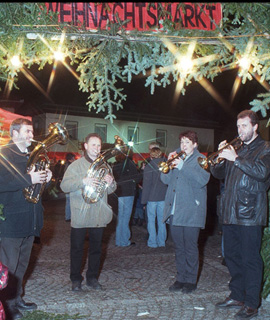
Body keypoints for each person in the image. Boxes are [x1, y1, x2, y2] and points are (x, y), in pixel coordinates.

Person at [211, 110, 270, 319]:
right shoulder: (235, 148)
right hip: (230, 211)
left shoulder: (265, 148)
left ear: (255, 127)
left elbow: (262, 173)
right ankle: (237, 295)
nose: (240, 130)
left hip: (250, 213)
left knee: (250, 259)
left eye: (244, 126)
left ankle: (252, 303)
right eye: (238, 126)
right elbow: (218, 174)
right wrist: (219, 158)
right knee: (231, 256)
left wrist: (235, 158)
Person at [0, 118, 52, 320]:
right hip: (11, 221)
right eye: (27, 131)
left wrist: (45, 177)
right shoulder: (4, 154)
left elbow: (36, 189)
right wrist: (29, 178)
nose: (32, 135)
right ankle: (5, 305)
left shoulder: (32, 155)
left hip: (30, 219)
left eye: (32, 131)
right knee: (8, 266)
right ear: (14, 133)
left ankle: (16, 298)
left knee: (22, 265)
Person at [60, 133, 116, 292]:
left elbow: (112, 190)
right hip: (81, 214)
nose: (97, 149)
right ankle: (76, 279)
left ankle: (92, 278)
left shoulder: (105, 165)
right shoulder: (76, 166)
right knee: (77, 249)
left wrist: (110, 183)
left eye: (99, 146)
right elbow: (64, 186)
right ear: (85, 146)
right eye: (93, 145)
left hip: (98, 213)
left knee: (96, 249)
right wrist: (83, 181)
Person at [161, 130, 210, 294]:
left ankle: (191, 280)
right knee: (179, 248)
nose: (183, 145)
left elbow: (203, 180)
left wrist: (182, 166)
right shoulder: (177, 158)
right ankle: (180, 278)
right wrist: (167, 167)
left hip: (191, 211)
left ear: (195, 144)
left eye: (187, 142)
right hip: (175, 210)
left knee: (190, 247)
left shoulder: (200, 159)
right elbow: (165, 181)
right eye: (182, 142)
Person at [113, 149, 142, 247]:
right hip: (128, 192)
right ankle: (124, 241)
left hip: (119, 192)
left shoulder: (115, 165)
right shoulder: (130, 163)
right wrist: (141, 171)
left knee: (121, 216)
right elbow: (137, 178)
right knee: (126, 217)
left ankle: (119, 240)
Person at [141, 147, 168, 247]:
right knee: (162, 221)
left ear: (151, 155)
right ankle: (161, 241)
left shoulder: (149, 166)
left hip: (152, 198)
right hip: (163, 196)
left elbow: (146, 185)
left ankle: (152, 242)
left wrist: (143, 201)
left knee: (151, 221)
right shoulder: (165, 164)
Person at [62, 153, 76, 221]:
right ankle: (69, 217)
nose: (75, 159)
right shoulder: (70, 166)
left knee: (68, 202)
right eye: (73, 158)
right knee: (70, 202)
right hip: (70, 186)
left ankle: (68, 216)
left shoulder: (66, 165)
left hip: (68, 186)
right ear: (71, 159)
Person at [132, 161, 147, 226]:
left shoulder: (146, 172)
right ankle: (137, 218)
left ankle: (139, 218)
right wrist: (139, 186)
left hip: (143, 190)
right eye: (143, 165)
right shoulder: (139, 172)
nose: (144, 166)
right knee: (138, 204)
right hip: (139, 190)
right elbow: (137, 180)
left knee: (140, 204)